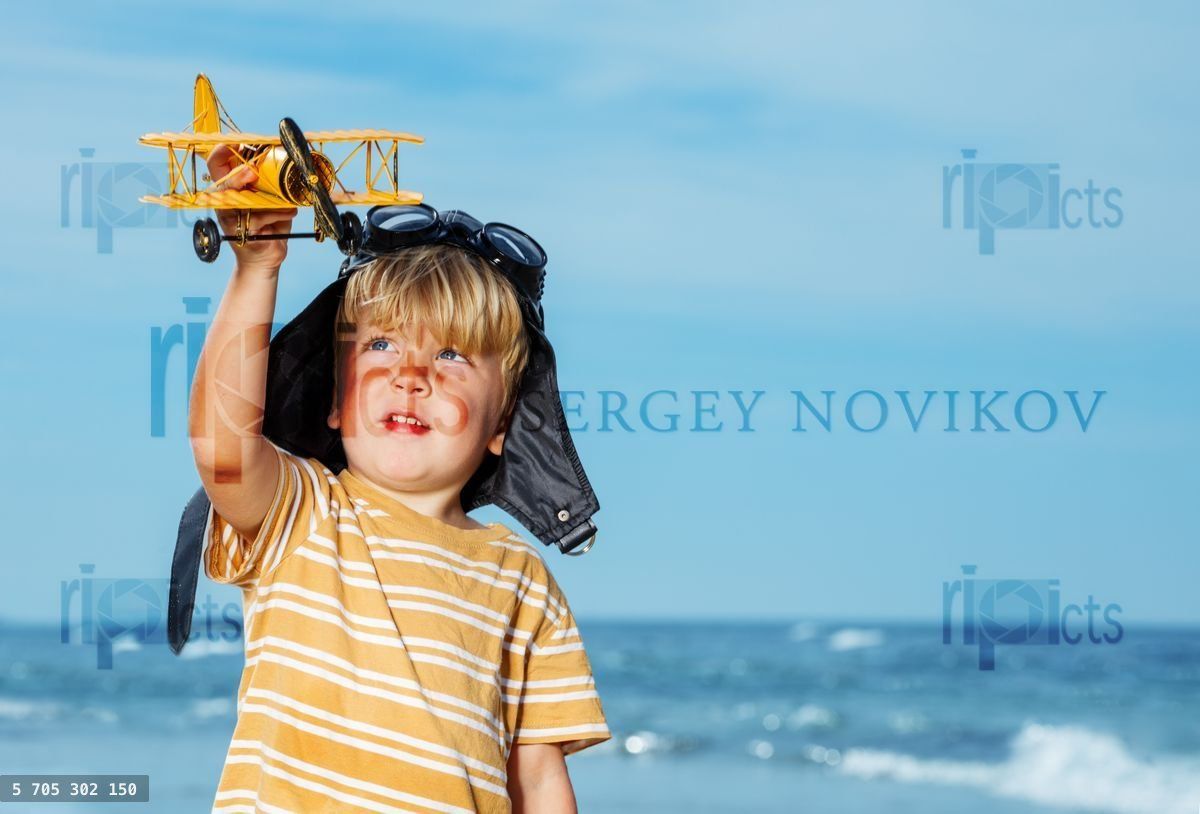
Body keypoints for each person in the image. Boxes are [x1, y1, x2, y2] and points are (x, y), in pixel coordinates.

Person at [185, 144, 611, 812]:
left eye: (450, 354)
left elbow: (537, 778)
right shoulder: (304, 514)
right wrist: (256, 270)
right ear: (335, 399)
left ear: (503, 424)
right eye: (381, 345)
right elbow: (223, 447)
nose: (411, 374)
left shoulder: (522, 579)